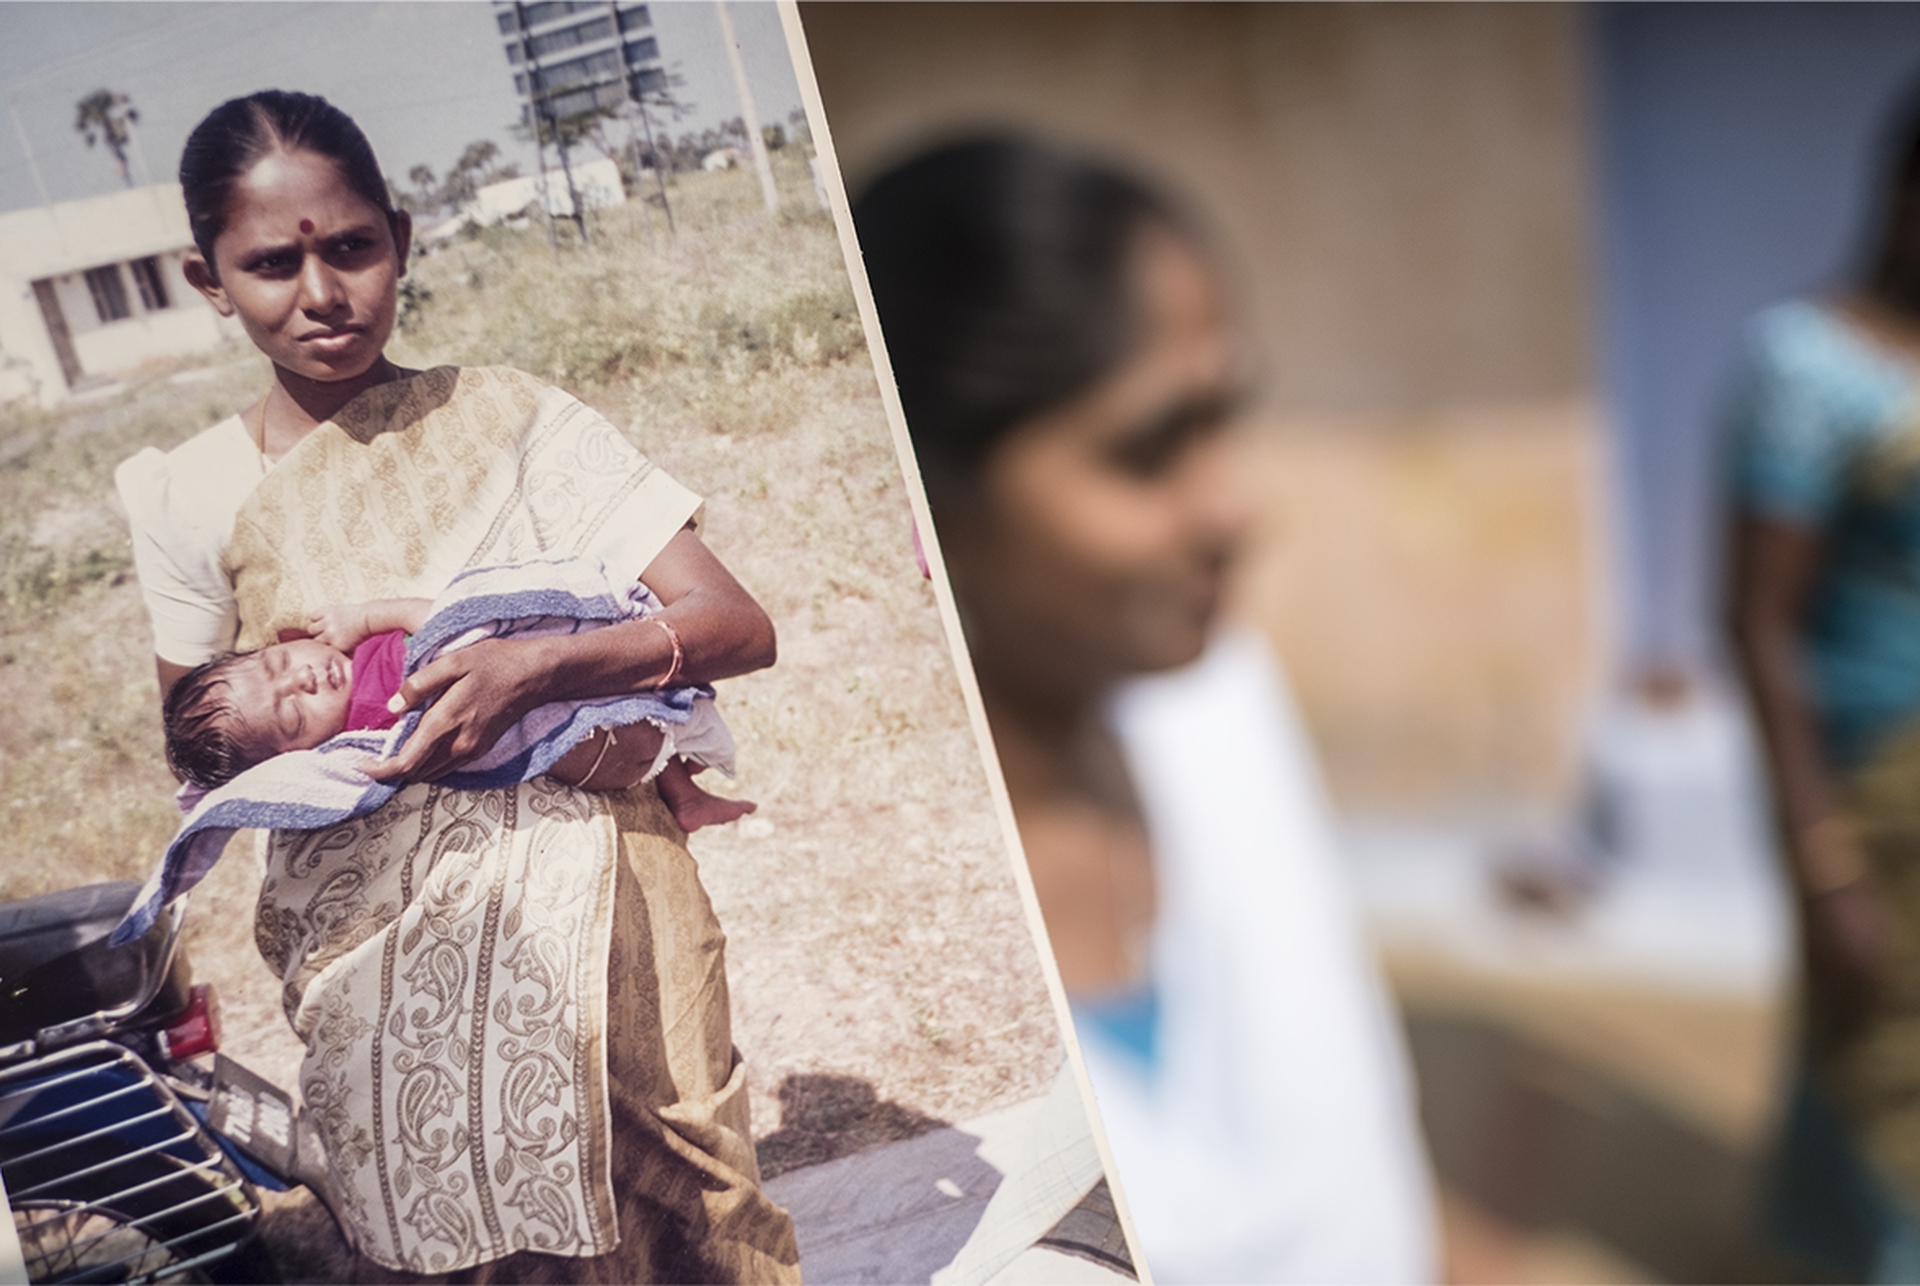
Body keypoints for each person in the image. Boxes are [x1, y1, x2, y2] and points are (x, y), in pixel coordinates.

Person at [114, 90, 798, 1282]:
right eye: (272, 264)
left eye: (352, 247)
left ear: (404, 237)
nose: (321, 293)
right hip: (369, 931)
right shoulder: (189, 493)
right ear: (208, 278)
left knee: (691, 1198)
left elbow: (733, 623)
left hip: (607, 893)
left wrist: (537, 663)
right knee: (453, 1220)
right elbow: (204, 751)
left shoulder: (515, 419)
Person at [854, 135, 1437, 1283]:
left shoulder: (1217, 704)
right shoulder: (902, 957)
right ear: (934, 498)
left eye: (1225, 417)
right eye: (1149, 448)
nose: (1237, 506)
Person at [1730, 91, 1920, 1284]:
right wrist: (1825, 857)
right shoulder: (1808, 363)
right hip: (1869, 787)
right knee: (1885, 1073)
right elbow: (1756, 621)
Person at [160, 581, 755, 832]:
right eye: (292, 717)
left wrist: (367, 615)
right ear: (298, 753)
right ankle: (685, 794)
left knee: (608, 688)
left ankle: (687, 795)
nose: (305, 681)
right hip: (531, 730)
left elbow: (437, 617)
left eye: (278, 666)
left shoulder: (361, 646)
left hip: (517, 659)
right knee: (605, 727)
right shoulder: (354, 738)